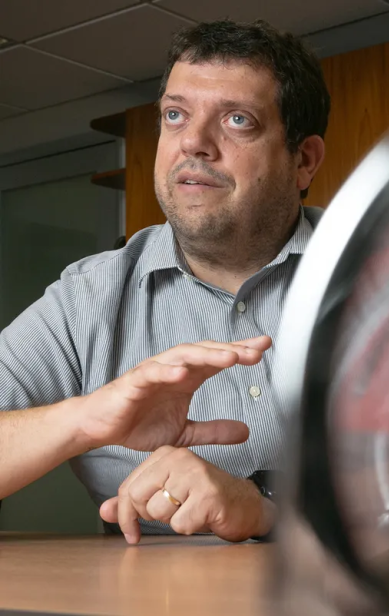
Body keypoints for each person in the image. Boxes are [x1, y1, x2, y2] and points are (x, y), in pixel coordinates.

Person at [0, 19, 330, 544]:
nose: (193, 142)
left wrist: (266, 504)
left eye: (237, 120)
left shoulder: (388, 273)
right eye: (175, 115)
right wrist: (84, 419)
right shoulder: (88, 299)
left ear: (303, 161)